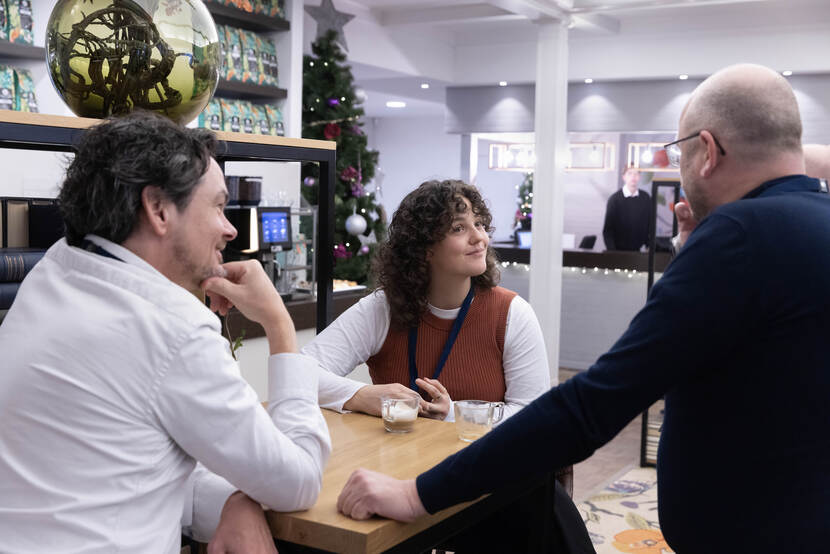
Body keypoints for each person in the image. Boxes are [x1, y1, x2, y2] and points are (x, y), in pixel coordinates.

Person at [335, 64, 830, 552]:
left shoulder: (737, 240)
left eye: (678, 153)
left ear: (707, 151)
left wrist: (417, 494)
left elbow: (592, 406)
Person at [0, 111, 331, 553]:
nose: (230, 228)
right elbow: (298, 480)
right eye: (217, 205)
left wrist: (234, 500)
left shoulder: (54, 271)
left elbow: (136, 459)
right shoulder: (173, 326)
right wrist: (280, 325)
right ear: (158, 209)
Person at [302, 179, 550, 423]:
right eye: (458, 228)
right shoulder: (384, 308)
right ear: (424, 248)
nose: (480, 238)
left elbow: (534, 417)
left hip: (482, 461)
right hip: (401, 459)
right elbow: (300, 373)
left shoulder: (511, 314)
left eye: (480, 224)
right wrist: (361, 395)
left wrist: (453, 413)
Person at [602, 166, 651, 251]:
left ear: (639, 176)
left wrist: (649, 246)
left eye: (636, 173)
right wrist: (612, 252)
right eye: (630, 173)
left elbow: (650, 225)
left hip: (638, 252)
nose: (633, 177)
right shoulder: (614, 199)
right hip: (617, 252)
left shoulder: (645, 198)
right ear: (624, 177)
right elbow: (607, 230)